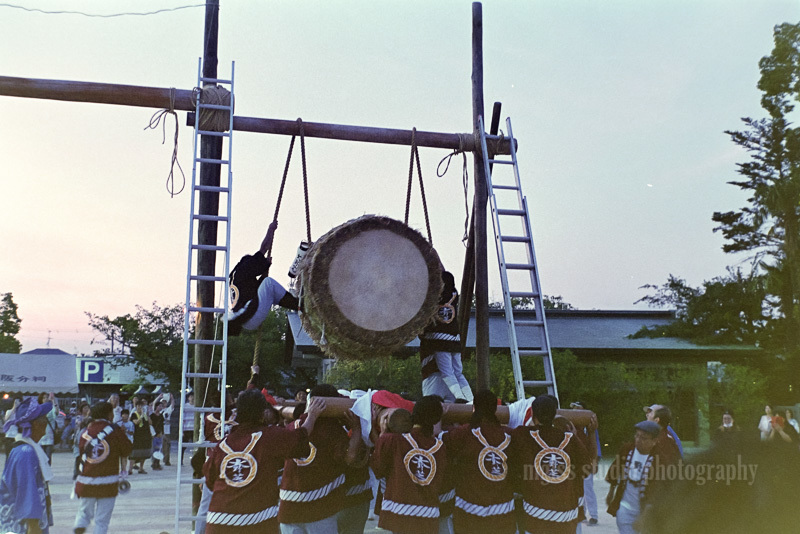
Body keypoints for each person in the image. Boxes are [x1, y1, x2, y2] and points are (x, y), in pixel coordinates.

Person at [203, 390, 326, 533]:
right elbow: (301, 437)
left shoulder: (222, 445)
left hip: (217, 523)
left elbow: (210, 481)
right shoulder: (270, 437)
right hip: (256, 523)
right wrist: (312, 415)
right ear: (263, 413)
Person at [278, 384, 364, 534]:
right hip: (319, 510)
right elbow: (350, 458)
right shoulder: (332, 430)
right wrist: (356, 429)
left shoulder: (292, 425)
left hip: (288, 509)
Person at [509, 395, 589, 534]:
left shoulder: (522, 435)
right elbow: (588, 467)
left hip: (537, 521)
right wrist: (577, 436)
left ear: (533, 415)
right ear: (555, 414)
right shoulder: (570, 438)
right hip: (566, 521)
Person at [442, 389, 515, 534]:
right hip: (503, 515)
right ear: (495, 409)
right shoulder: (510, 434)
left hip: (468, 515)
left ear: (473, 408)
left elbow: (439, 440)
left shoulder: (462, 433)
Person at [372, 395, 448, 534]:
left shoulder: (393, 441)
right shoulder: (441, 447)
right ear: (436, 419)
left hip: (398, 516)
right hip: (429, 517)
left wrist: (382, 434)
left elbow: (378, 469)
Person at [227, 221, 299, 336]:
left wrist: (265, 267)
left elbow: (254, 291)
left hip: (247, 319)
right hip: (252, 315)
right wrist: (271, 229)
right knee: (268, 283)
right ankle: (298, 305)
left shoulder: (234, 277)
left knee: (269, 289)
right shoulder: (247, 266)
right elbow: (264, 247)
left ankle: (294, 305)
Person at [605, 420, 675, 534]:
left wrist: (645, 516)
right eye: (637, 436)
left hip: (646, 509)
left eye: (643, 438)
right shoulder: (627, 449)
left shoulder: (661, 460)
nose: (638, 440)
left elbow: (658, 491)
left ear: (654, 441)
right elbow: (615, 469)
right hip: (625, 505)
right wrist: (611, 492)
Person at [73, 401, 132, 534]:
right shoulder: (115, 431)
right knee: (102, 520)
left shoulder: (85, 431)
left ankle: (80, 524)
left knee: (84, 512)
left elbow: (81, 450)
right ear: (108, 414)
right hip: (108, 481)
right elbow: (127, 450)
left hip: (86, 481)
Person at [0, 397, 54, 534]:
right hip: (23, 527)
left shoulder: (28, 449)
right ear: (36, 424)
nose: (46, 423)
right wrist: (33, 525)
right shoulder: (26, 453)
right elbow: (27, 491)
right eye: (44, 418)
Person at [420, 269, 474, 403]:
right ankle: (470, 398)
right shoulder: (454, 295)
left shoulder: (433, 299)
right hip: (454, 339)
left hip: (438, 340)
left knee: (447, 372)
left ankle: (460, 396)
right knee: (458, 372)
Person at [570, 400, 601, 527]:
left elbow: (596, 445)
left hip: (586, 464)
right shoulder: (571, 427)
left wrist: (595, 462)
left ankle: (593, 516)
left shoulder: (589, 428)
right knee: (577, 490)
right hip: (575, 465)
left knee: (588, 490)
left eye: (579, 409)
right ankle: (581, 513)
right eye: (574, 409)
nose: (576, 411)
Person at [129, 400, 152, 473]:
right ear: (136, 407)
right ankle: (130, 469)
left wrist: (147, 415)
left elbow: (150, 423)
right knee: (134, 453)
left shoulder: (145, 414)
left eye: (141, 406)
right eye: (138, 406)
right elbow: (136, 422)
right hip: (137, 436)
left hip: (145, 436)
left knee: (144, 453)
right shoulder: (134, 414)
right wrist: (141, 415)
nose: (140, 407)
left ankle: (141, 468)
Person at [37, 393, 59, 464]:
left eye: (47, 397)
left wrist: (54, 401)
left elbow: (56, 412)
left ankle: (47, 473)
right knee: (41, 457)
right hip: (40, 436)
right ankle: (41, 473)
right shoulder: (38, 408)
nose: (45, 399)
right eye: (44, 398)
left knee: (48, 457)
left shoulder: (51, 407)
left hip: (49, 436)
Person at [149, 401, 166, 471]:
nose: (160, 407)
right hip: (154, 434)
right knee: (154, 449)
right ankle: (154, 463)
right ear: (156, 406)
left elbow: (162, 425)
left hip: (160, 434)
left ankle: (158, 463)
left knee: (159, 449)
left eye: (161, 406)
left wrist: (162, 432)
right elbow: (150, 425)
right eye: (159, 406)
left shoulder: (161, 416)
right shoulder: (152, 416)